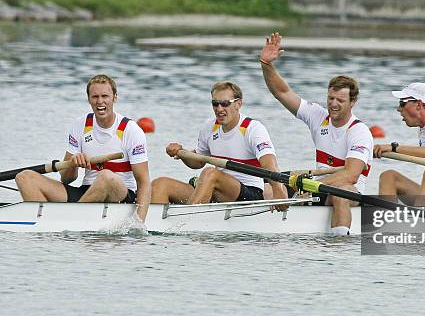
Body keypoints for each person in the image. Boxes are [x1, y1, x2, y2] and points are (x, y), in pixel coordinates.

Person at [259, 32, 374, 236]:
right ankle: (269, 230)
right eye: (330, 98)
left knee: (342, 193)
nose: (333, 104)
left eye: (340, 100)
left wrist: (312, 185)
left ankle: (340, 244)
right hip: (316, 186)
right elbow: (282, 93)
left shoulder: (359, 131)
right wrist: (266, 64)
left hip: (348, 191)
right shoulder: (318, 116)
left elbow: (351, 175)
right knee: (270, 186)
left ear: (352, 102)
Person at [15, 74, 151, 221]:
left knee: (106, 176)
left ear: (115, 98)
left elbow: (143, 182)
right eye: (95, 97)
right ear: (89, 99)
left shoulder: (131, 130)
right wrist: (74, 163)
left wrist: (139, 223)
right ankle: (43, 223)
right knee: (24, 177)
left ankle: (70, 219)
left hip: (121, 193)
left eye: (105, 96)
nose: (100, 102)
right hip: (86, 190)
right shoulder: (80, 124)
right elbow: (66, 179)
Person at [151, 81, 287, 209]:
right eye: (215, 104)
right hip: (215, 190)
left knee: (210, 174)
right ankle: (154, 227)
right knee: (160, 184)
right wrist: (182, 153)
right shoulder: (209, 127)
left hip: (249, 193)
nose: (219, 109)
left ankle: (187, 221)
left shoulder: (253, 128)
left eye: (225, 103)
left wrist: (278, 191)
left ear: (238, 104)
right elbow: (198, 162)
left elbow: (270, 163)